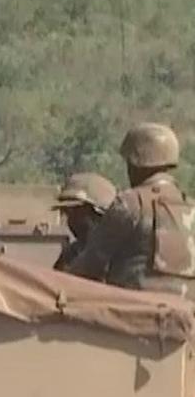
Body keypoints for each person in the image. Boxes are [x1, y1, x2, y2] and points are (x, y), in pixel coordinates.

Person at [69, 123, 195, 290]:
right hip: (186, 312)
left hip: (135, 311)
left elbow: (89, 266)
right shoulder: (190, 206)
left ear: (133, 163)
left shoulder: (129, 204)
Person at [52, 172, 117, 274]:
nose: (71, 221)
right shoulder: (71, 254)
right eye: (68, 213)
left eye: (77, 212)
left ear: (98, 214)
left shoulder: (123, 256)